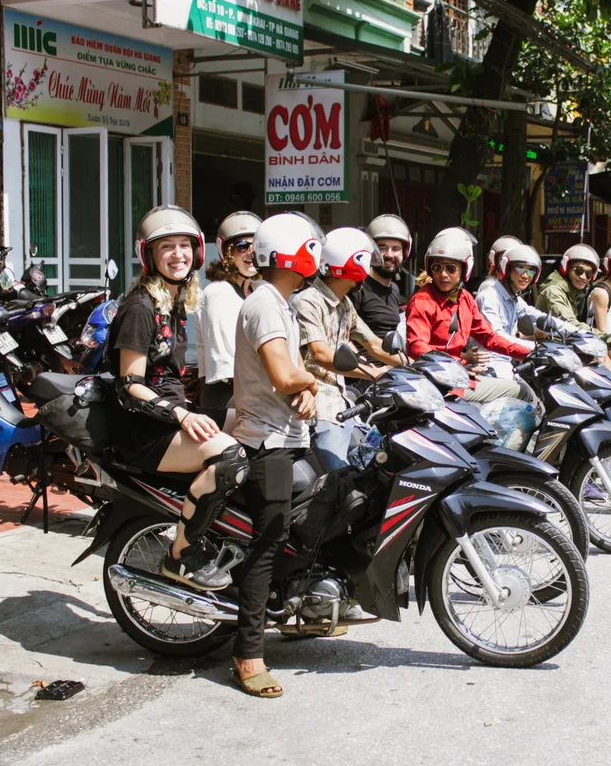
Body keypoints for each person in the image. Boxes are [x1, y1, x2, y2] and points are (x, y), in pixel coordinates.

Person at [105, 206, 244, 599]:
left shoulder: (175, 301)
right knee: (229, 457)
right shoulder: (141, 307)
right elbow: (130, 384)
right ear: (149, 255)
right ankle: (182, 554)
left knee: (256, 423)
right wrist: (183, 415)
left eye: (185, 245)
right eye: (167, 247)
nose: (178, 254)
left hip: (170, 416)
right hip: (143, 428)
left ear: (198, 253)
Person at [224, 211, 324, 699]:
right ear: (293, 253)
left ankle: (302, 610)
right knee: (268, 544)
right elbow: (287, 376)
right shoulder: (265, 304)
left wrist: (304, 390)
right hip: (266, 442)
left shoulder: (280, 301)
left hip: (287, 431)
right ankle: (248, 654)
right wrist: (310, 383)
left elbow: (289, 371)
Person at [293, 227, 403, 470]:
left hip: (344, 407)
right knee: (340, 480)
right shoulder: (308, 301)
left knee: (380, 461)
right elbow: (320, 354)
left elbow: (373, 344)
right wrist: (372, 373)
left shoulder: (344, 304)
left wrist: (410, 365)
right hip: (319, 410)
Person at [406, 227, 534, 402]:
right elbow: (416, 345)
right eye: (437, 267)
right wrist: (454, 364)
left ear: (463, 270)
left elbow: (489, 337)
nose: (443, 274)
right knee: (522, 393)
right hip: (436, 382)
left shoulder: (465, 300)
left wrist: (528, 353)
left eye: (451, 268)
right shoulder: (422, 300)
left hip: (458, 376)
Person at [476, 243, 578, 379]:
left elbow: (537, 316)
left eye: (531, 271)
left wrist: (577, 333)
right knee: (527, 395)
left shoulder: (514, 300)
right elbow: (497, 336)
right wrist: (537, 348)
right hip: (489, 366)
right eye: (520, 269)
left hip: (507, 363)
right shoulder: (490, 296)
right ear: (507, 269)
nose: (525, 275)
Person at [197, 210, 260, 408]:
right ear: (227, 252)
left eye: (257, 245)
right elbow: (226, 358)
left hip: (256, 389)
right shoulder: (218, 293)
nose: (251, 252)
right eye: (242, 246)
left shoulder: (259, 290)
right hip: (229, 395)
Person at [535, 243, 611, 374]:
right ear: (566, 268)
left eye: (589, 273)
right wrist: (608, 338)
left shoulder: (572, 293)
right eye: (579, 271)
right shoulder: (554, 292)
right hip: (548, 359)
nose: (583, 277)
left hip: (563, 353)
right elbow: (570, 324)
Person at [351, 214, 410, 340]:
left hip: (394, 359)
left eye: (396, 249)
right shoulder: (357, 288)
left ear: (404, 254)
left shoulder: (394, 290)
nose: (389, 255)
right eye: (382, 248)